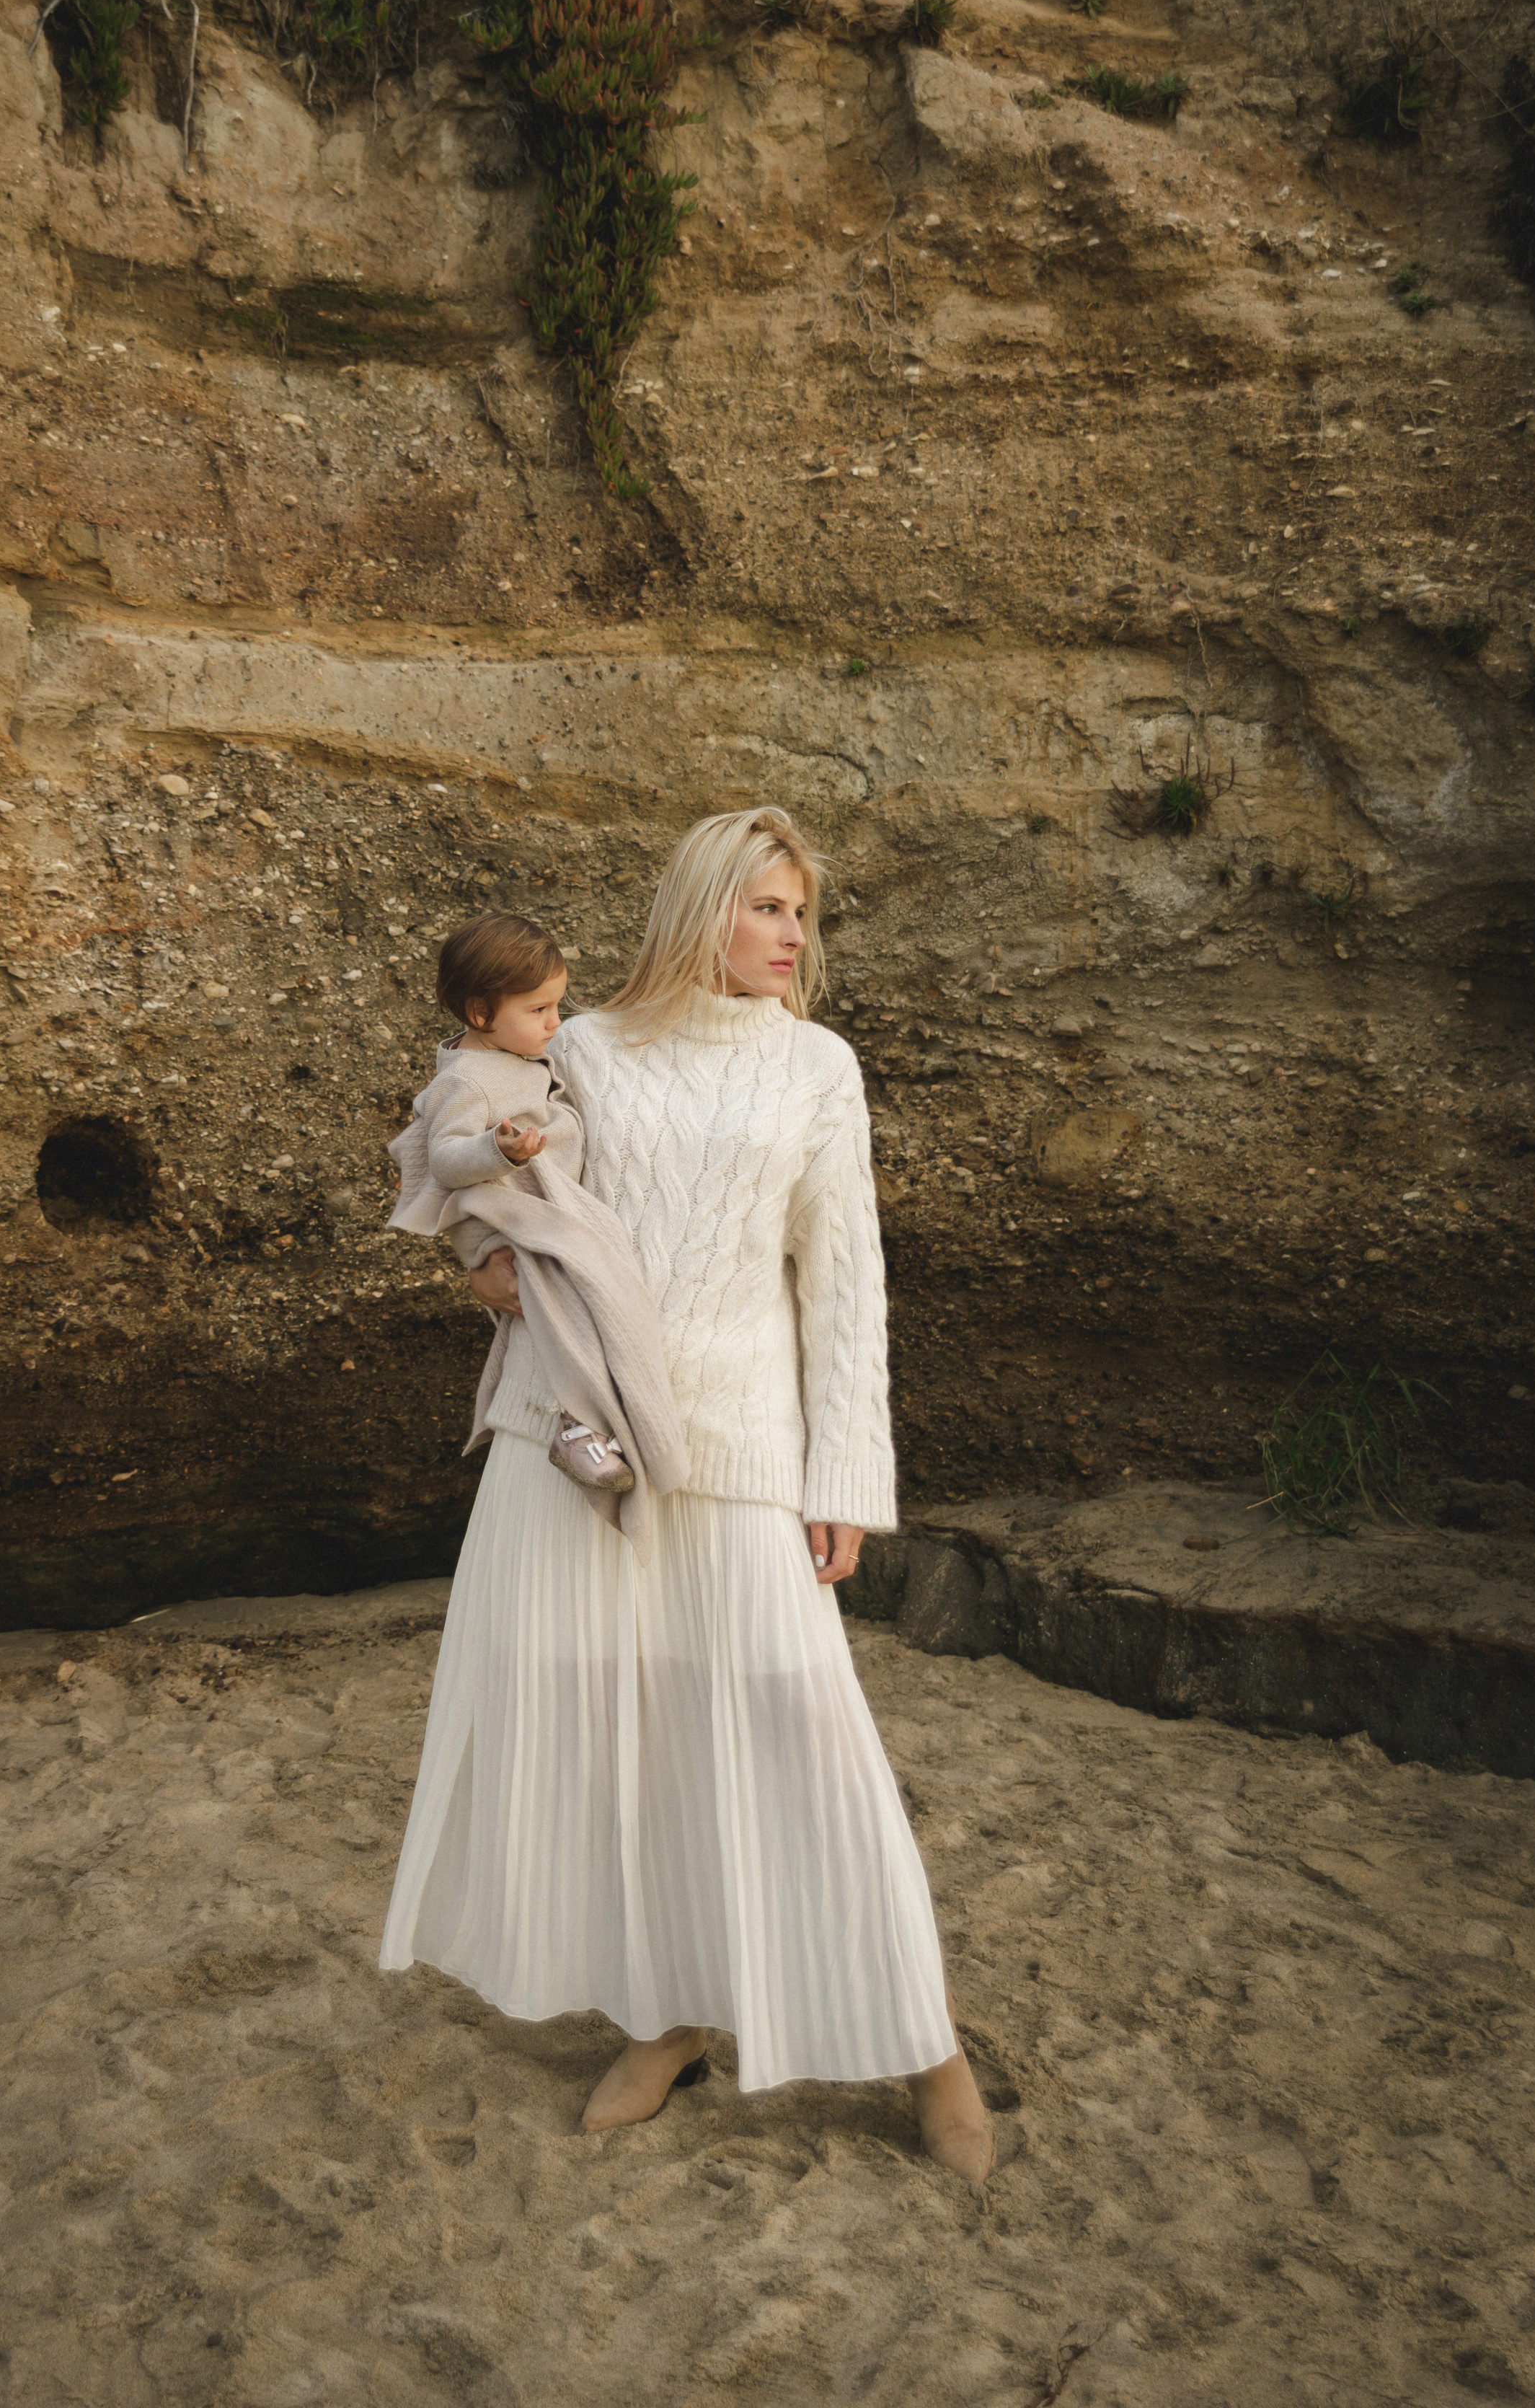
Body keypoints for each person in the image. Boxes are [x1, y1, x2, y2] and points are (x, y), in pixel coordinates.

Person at [379, 806, 994, 2183]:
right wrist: (478, 1258)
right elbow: (457, 1148)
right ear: (702, 904)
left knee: (805, 1736)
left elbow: (843, 1288)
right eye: (767, 905)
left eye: (801, 913)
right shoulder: (583, 1045)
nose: (792, 936)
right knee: (620, 1738)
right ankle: (666, 2017)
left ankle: (932, 2046)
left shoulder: (819, 1070)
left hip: (738, 1457)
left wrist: (844, 1477)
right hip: (575, 1443)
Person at [386, 911, 687, 1535]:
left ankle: (594, 1421)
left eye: (557, 1005)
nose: (556, 1023)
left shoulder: (509, 1057)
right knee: (573, 1307)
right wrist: (501, 1150)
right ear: (479, 1014)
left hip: (526, 1212)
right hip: (506, 1217)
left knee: (571, 1304)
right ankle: (577, 1425)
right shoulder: (468, 1080)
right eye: (538, 1010)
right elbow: (444, 1156)